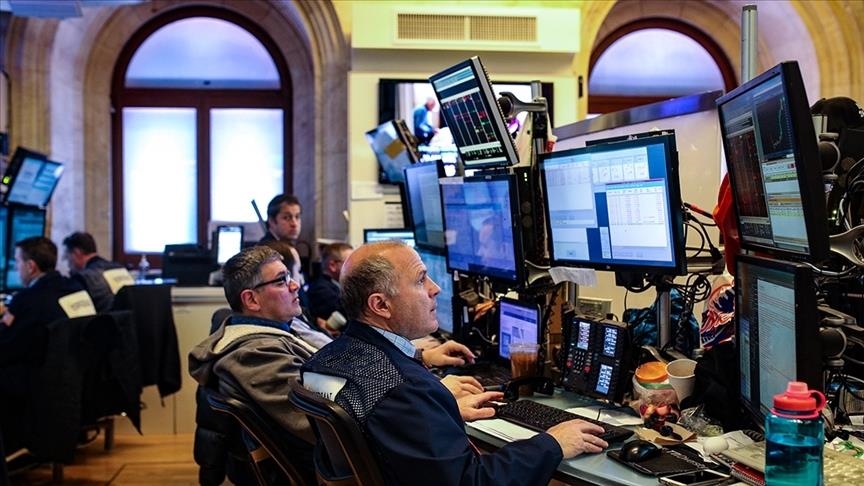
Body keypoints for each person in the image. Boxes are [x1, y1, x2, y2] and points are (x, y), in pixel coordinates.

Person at [301, 241, 608, 485]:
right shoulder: (405, 390)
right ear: (380, 304)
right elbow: (471, 481)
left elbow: (378, 428)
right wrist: (552, 443)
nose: (435, 288)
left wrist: (440, 412)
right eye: (421, 279)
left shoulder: (322, 363)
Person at [189, 245, 481, 484]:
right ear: (251, 300)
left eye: (290, 276)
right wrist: (426, 407)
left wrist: (421, 359)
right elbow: (326, 422)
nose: (295, 285)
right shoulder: (254, 355)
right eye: (281, 280)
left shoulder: (281, 328)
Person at [0, 236, 95, 454]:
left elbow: (6, 348)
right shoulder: (75, 288)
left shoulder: (28, 299)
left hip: (37, 382)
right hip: (74, 380)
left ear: (30, 266)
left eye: (17, 262)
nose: (15, 268)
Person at [62, 231, 132, 312]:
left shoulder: (83, 277)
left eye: (67, 256)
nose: (68, 263)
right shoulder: (120, 268)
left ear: (77, 253)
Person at [306, 242, 353, 333]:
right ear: (333, 265)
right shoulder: (321, 291)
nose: (356, 267)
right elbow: (351, 317)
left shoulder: (336, 285)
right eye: (350, 262)